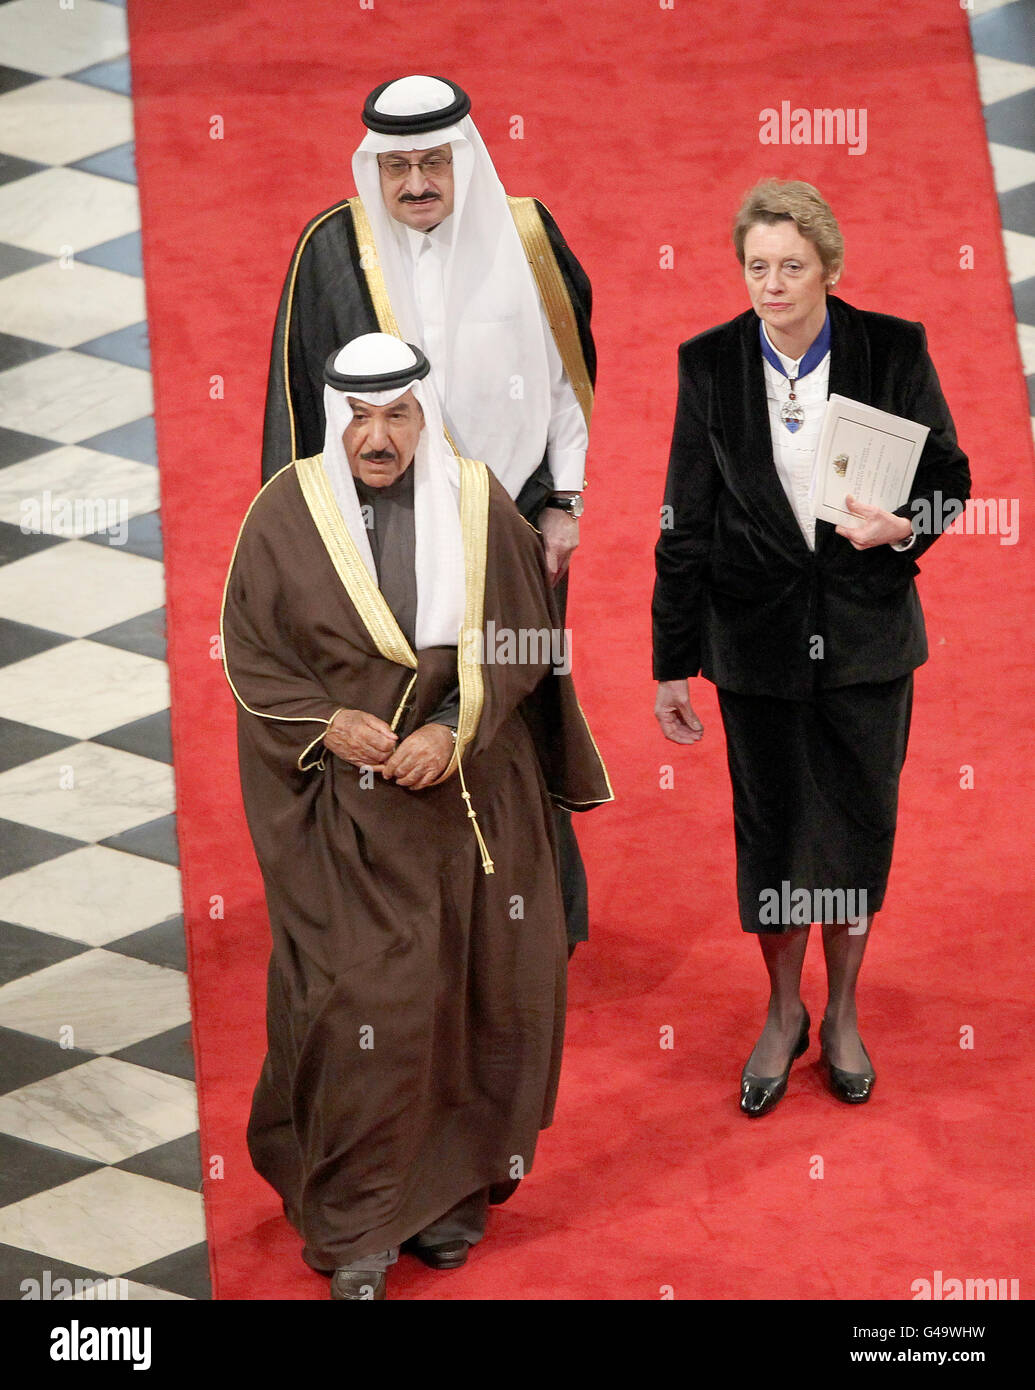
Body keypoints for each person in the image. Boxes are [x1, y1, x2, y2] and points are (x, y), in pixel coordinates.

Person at [222, 333, 611, 1299]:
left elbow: (524, 640)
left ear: (423, 417)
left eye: (397, 415)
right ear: (333, 420)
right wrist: (329, 722)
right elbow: (252, 657)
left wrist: (454, 722)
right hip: (343, 812)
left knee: (479, 994)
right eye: (359, 417)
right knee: (363, 1006)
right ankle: (356, 1228)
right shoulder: (281, 518)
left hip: (472, 798)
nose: (378, 436)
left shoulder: (479, 507)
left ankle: (446, 1203)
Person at [652, 179, 970, 1117]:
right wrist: (671, 661)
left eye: (791, 266)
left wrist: (903, 525)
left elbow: (952, 480)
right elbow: (684, 522)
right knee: (776, 832)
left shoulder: (892, 348)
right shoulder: (708, 364)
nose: (772, 284)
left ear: (829, 269)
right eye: (757, 266)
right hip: (755, 647)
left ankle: (842, 1015)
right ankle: (783, 1011)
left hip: (868, 642)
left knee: (856, 827)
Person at [261, 73, 596, 948]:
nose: (416, 184)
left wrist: (564, 503)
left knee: (508, 706)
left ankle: (527, 911)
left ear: (465, 159)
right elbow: (300, 409)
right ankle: (399, 915)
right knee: (399, 708)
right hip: (382, 526)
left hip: (514, 522)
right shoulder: (332, 251)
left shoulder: (524, 238)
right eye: (399, 165)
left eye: (434, 163)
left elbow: (567, 384)